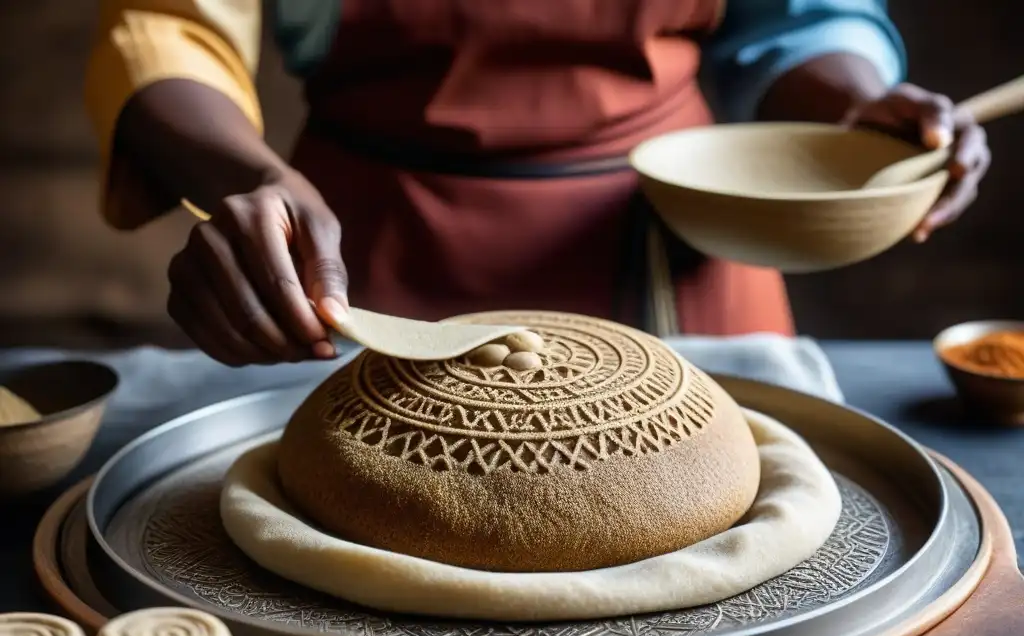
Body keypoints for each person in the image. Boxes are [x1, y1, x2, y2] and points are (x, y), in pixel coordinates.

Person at [85, 1, 990, 367]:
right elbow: (170, 29)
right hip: (362, 260)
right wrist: (247, 183)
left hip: (675, 256)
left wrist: (862, 105)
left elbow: (798, 17)